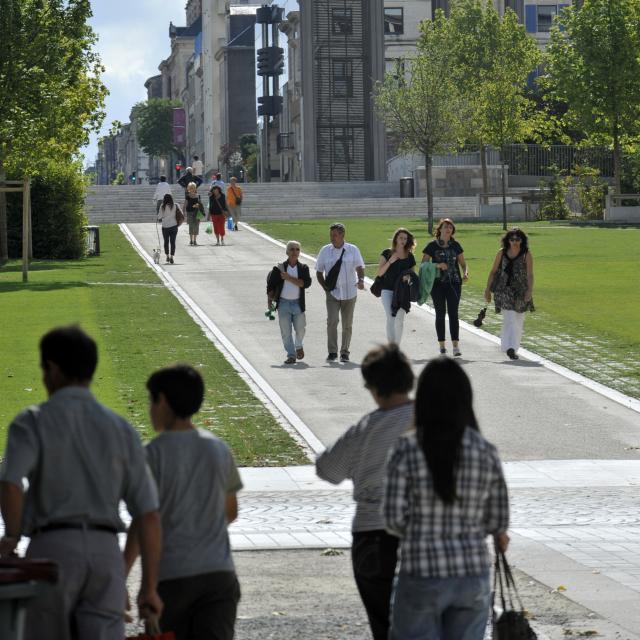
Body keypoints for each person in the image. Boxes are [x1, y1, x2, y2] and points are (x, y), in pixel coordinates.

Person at [0, 326, 161, 640]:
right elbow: (148, 513)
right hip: (105, 552)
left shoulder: (32, 420)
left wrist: (12, 535)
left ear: (54, 369)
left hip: (52, 547)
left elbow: (9, 482)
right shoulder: (122, 429)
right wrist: (149, 586)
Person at [383, 357, 509, 640]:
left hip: (420, 571)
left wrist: (420, 529)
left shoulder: (407, 449)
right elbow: (497, 520)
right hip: (472, 573)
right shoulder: (485, 451)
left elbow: (392, 518)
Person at [125, 364, 242, 640]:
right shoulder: (219, 449)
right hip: (219, 574)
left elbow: (144, 523)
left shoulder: (150, 455)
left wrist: (128, 578)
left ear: (162, 400)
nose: (150, 409)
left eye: (151, 401)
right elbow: (231, 512)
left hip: (173, 577)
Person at [316, 344, 414, 640]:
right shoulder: (432, 421)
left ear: (373, 388)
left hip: (372, 532)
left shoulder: (367, 428)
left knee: (384, 625)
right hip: (424, 534)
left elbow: (327, 469)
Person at [315, 223, 366, 362]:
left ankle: (345, 351)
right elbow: (319, 271)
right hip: (332, 293)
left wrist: (361, 280)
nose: (332, 237)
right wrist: (325, 288)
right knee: (332, 321)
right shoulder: (325, 251)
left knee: (347, 324)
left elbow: (360, 267)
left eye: (335, 235)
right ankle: (332, 352)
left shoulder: (353, 249)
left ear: (343, 235)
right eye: (331, 235)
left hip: (350, 293)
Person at [484, 227, 534, 360]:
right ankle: (510, 348)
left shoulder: (526, 254)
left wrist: (529, 290)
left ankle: (512, 346)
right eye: (512, 239)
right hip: (504, 289)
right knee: (510, 318)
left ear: (522, 240)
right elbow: (493, 271)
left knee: (518, 320)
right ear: (508, 240)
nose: (515, 242)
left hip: (521, 290)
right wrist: (487, 290)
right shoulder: (501, 253)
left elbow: (530, 275)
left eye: (518, 239)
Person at [421, 218, 469, 357]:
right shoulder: (431, 246)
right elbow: (423, 265)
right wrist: (437, 265)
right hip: (437, 284)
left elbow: (463, 264)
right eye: (445, 226)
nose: (448, 229)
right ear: (440, 229)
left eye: (450, 227)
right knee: (440, 314)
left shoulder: (456, 245)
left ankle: (456, 346)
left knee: (454, 314)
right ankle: (442, 345)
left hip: (454, 283)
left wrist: (465, 273)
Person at [266, 241, 313, 364]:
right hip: (283, 304)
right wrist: (269, 303)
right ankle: (291, 355)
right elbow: (270, 286)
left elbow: (305, 284)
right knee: (286, 332)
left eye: (297, 249)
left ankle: (298, 346)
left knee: (301, 329)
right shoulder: (279, 268)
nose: (294, 252)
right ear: (287, 252)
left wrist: (288, 278)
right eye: (292, 249)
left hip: (298, 304)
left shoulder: (303, 268)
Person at [376, 228, 417, 345]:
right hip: (387, 290)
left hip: (402, 292)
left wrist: (408, 277)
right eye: (401, 238)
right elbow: (379, 273)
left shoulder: (410, 257)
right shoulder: (387, 253)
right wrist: (390, 261)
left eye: (405, 239)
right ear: (396, 239)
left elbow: (412, 275)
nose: (403, 241)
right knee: (391, 317)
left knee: (399, 319)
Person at [157, 193, 182, 264]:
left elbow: (159, 217)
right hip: (174, 226)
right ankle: (172, 256)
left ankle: (167, 255)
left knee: (166, 241)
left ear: (164, 199)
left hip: (165, 226)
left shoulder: (162, 206)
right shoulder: (175, 205)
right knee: (173, 242)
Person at [184, 182, 204, 246]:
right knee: (191, 226)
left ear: (195, 188)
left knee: (196, 226)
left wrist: (198, 205)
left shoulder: (198, 196)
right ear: (189, 189)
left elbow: (200, 204)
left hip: (197, 213)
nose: (192, 189)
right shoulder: (188, 196)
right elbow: (185, 204)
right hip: (189, 213)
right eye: (191, 188)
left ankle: (195, 240)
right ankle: (191, 240)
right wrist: (183, 211)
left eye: (193, 188)